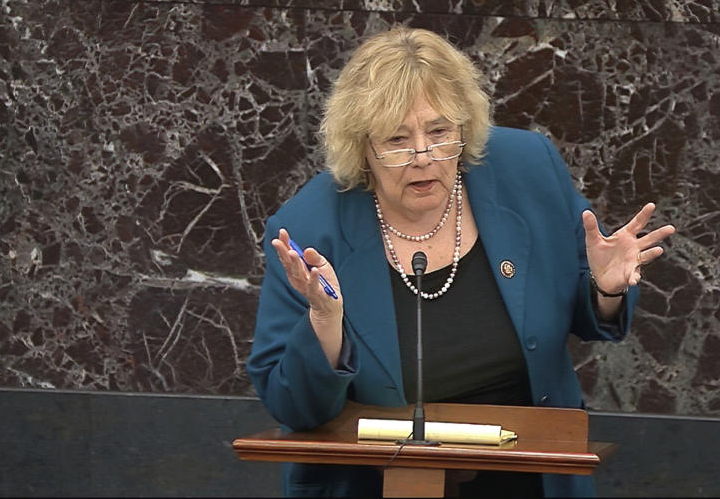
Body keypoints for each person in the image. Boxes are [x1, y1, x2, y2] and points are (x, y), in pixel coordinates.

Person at [246, 26, 675, 498]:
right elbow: (292, 406)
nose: (423, 157)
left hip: (528, 476)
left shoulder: (526, 170)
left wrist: (605, 288)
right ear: (362, 147)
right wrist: (325, 326)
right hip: (377, 484)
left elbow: (586, 313)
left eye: (439, 131)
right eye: (396, 140)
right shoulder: (307, 231)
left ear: (465, 127)